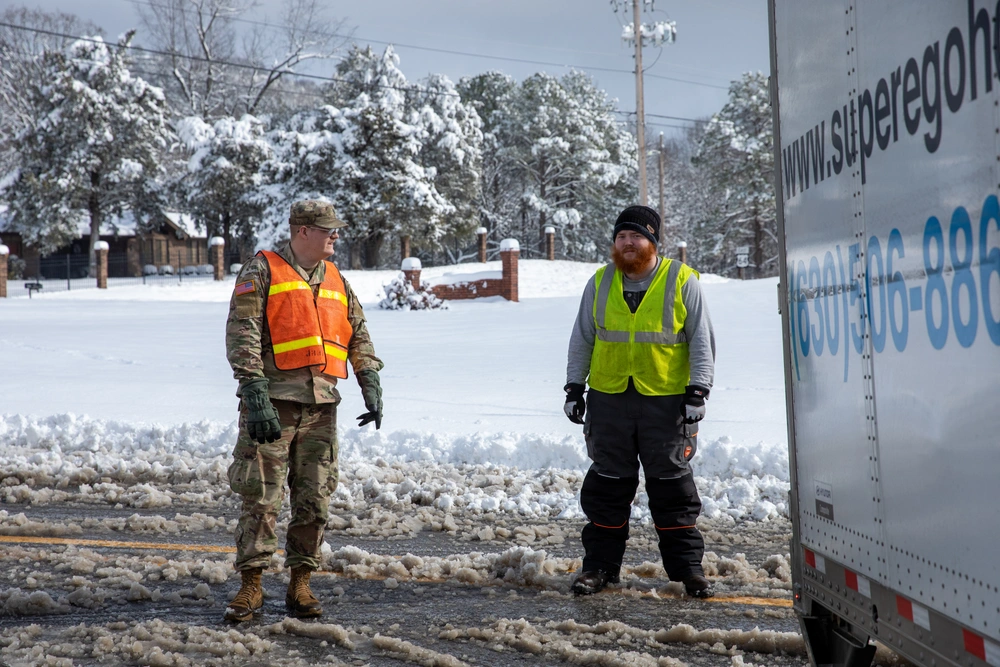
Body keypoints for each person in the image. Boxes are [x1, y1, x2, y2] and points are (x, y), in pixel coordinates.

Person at [223, 200, 384, 622]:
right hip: (271, 406)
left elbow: (357, 331)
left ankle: (300, 583)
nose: (335, 236)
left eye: (336, 229)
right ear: (301, 231)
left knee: (314, 497)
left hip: (322, 408)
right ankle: (251, 587)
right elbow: (243, 332)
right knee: (262, 496)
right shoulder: (262, 270)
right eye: (327, 229)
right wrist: (254, 392)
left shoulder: (336, 279)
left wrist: (369, 379)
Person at [563, 204, 716, 598]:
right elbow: (583, 338)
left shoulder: (681, 280)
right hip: (609, 400)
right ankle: (599, 569)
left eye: (636, 236)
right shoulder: (599, 283)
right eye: (621, 237)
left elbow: (701, 340)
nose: (628, 243)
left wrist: (698, 390)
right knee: (607, 488)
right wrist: (574, 388)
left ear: (652, 241)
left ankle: (688, 572)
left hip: (666, 404)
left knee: (673, 488)